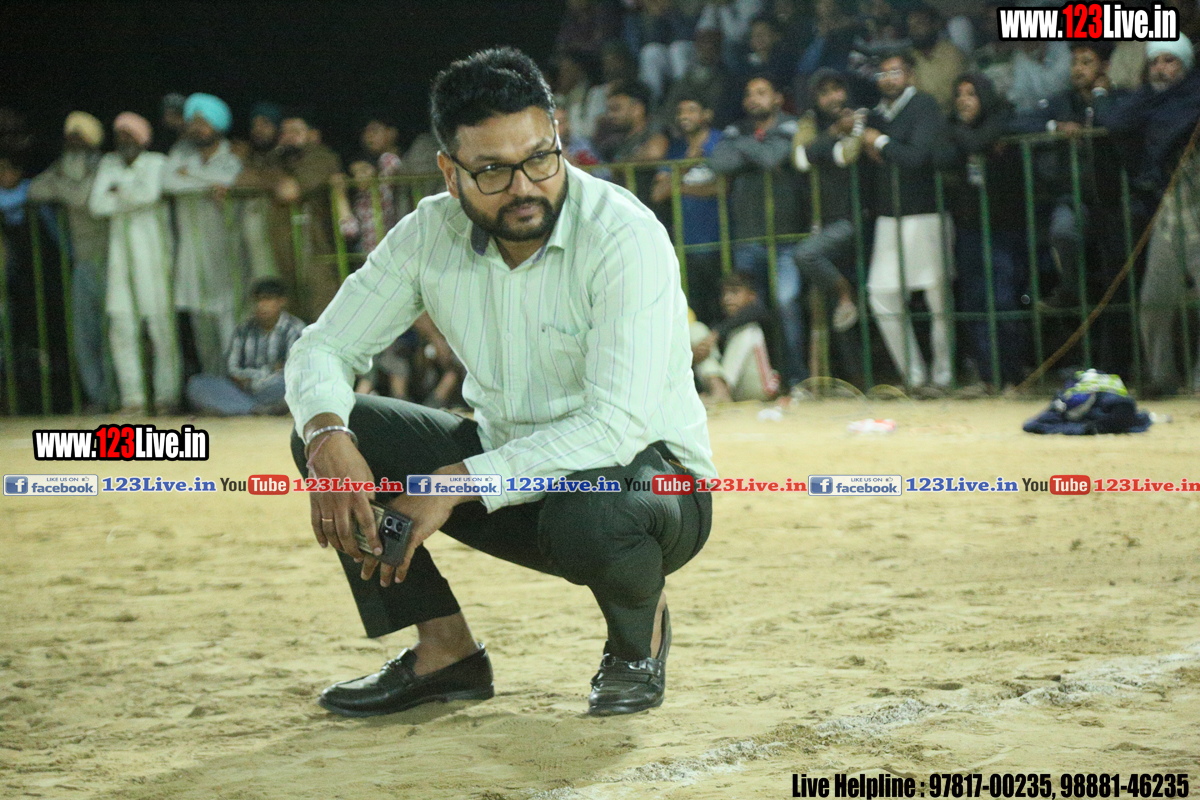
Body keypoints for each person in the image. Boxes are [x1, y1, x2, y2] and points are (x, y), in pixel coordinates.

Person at [284, 47, 715, 719]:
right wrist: (325, 435)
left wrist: (455, 481)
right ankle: (445, 652)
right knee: (332, 437)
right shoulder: (429, 232)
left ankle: (637, 643)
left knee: (594, 506)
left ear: (558, 137)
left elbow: (615, 427)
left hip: (648, 491)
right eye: (492, 170)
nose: (524, 187)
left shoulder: (623, 235)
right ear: (450, 172)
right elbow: (323, 347)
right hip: (506, 478)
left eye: (540, 158)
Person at [1098, 37, 1200, 396]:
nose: (1160, 69)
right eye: (1155, 61)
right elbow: (1115, 121)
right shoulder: (1150, 98)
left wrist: (1154, 117)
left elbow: (1176, 123)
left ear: (1185, 65)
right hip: (1170, 208)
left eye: (1170, 61)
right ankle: (1162, 377)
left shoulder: (1193, 93)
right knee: (1154, 299)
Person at [860, 51, 955, 392]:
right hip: (889, 217)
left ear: (911, 75)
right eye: (882, 73)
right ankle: (914, 375)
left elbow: (917, 156)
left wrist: (880, 142)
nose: (888, 79)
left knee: (938, 299)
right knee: (881, 295)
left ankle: (944, 375)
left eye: (895, 72)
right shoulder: (875, 115)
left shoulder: (924, 105)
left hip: (926, 213)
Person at [709, 74, 807, 390]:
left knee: (785, 304)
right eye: (750, 94)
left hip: (786, 236)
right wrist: (757, 148)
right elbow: (718, 162)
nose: (754, 99)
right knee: (749, 310)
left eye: (762, 92)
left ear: (777, 98)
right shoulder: (737, 128)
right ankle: (761, 380)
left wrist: (745, 150)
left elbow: (773, 156)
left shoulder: (791, 125)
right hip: (748, 236)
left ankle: (796, 379)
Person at [88, 112, 179, 413]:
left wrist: (118, 191)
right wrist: (129, 193)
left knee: (161, 329)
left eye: (130, 134)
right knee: (122, 328)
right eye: (119, 135)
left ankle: (166, 396)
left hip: (154, 260)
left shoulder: (156, 163)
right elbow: (97, 204)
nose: (124, 141)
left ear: (143, 138)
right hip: (121, 262)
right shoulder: (109, 163)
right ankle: (133, 398)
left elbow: (148, 194)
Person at [28, 111, 113, 411]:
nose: (73, 141)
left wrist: (60, 187)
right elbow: (34, 190)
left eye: (79, 136)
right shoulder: (60, 167)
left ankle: (115, 395)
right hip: (81, 261)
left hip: (108, 259)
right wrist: (65, 186)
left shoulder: (104, 165)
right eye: (70, 136)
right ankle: (98, 397)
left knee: (110, 333)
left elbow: (84, 199)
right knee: (84, 335)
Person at [948, 73, 1027, 391]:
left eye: (970, 94)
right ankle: (988, 376)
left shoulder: (1001, 117)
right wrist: (962, 137)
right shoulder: (954, 126)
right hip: (969, 226)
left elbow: (974, 142)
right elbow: (942, 153)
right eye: (959, 94)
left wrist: (959, 135)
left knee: (1004, 300)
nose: (963, 101)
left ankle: (1012, 374)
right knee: (975, 301)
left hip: (1002, 226)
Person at [790, 69, 865, 387]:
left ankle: (844, 290)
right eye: (824, 93)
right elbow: (800, 159)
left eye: (837, 89)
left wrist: (823, 145)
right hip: (823, 223)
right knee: (838, 311)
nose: (833, 98)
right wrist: (834, 132)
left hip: (854, 220)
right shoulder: (811, 122)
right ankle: (856, 381)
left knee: (805, 255)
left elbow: (845, 154)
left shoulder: (858, 116)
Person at [164, 93, 244, 378]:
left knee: (229, 324)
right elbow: (167, 182)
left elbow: (229, 179)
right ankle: (213, 387)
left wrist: (190, 176)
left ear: (218, 125)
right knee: (201, 329)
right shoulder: (180, 153)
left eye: (204, 122)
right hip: (191, 257)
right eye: (193, 122)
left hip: (224, 253)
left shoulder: (232, 156)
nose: (198, 128)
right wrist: (205, 184)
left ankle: (236, 385)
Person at [651, 93, 724, 325]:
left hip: (720, 238)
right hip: (687, 243)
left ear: (706, 114)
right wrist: (686, 165)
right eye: (680, 112)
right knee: (695, 307)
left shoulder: (720, 143)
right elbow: (658, 193)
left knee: (721, 305)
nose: (684, 116)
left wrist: (679, 188)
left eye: (691, 110)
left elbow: (723, 188)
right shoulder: (677, 149)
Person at [186, 277, 304, 415]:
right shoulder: (243, 330)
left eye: (268, 300)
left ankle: (241, 409)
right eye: (258, 300)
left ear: (282, 302)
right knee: (197, 384)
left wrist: (253, 378)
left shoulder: (295, 329)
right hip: (244, 392)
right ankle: (255, 410)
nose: (262, 305)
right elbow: (232, 370)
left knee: (292, 383)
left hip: (275, 389)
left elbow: (293, 370)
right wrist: (269, 371)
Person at [275, 114, 344, 321]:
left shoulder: (322, 157)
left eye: (295, 132)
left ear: (313, 135)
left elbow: (290, 191)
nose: (288, 137)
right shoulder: (277, 159)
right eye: (284, 132)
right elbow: (245, 177)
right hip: (286, 252)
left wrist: (269, 182)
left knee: (323, 311)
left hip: (319, 248)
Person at [691, 272, 782, 402]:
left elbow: (756, 312)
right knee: (696, 328)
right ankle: (719, 389)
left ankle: (723, 390)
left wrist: (717, 334)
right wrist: (693, 355)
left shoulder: (760, 315)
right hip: (728, 389)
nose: (727, 298)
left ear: (751, 296)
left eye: (735, 292)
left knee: (748, 330)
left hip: (759, 387)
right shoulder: (719, 318)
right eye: (724, 294)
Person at [907, 3, 968, 113]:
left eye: (920, 24)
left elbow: (953, 94)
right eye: (911, 26)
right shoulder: (908, 57)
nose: (915, 31)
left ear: (935, 25)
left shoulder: (952, 55)